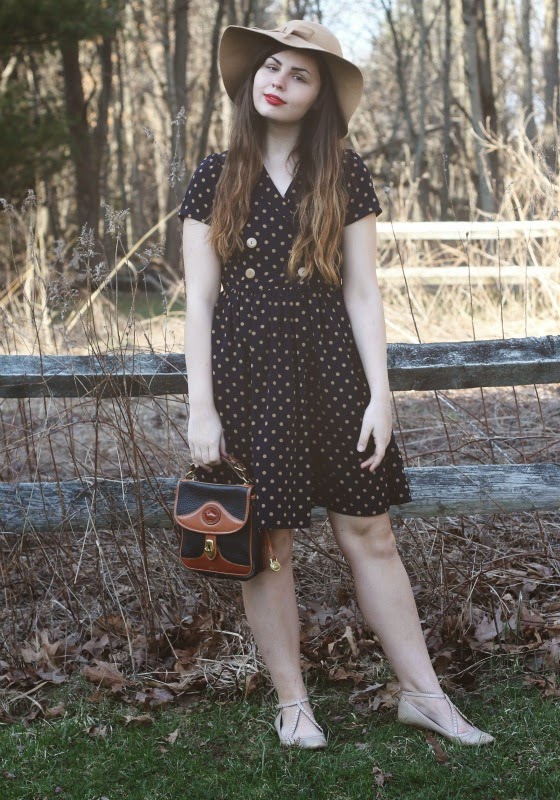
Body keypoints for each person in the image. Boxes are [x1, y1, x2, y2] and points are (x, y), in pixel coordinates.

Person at [179, 19, 494, 749]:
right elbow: (198, 300)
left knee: (370, 532)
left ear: (319, 96)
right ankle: (293, 704)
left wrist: (381, 394)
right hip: (248, 375)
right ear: (252, 77)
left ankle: (425, 696)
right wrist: (201, 408)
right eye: (271, 66)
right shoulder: (214, 174)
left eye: (300, 75)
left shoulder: (344, 174)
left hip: (332, 367)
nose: (279, 82)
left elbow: (362, 290)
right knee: (269, 542)